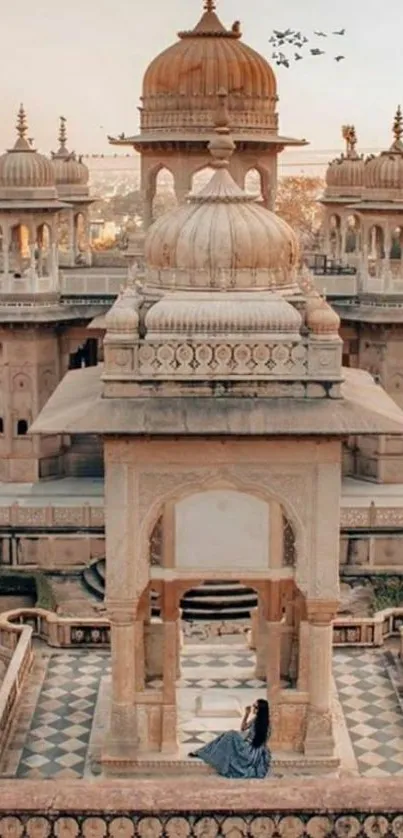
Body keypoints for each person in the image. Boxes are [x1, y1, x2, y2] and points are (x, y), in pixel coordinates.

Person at [189, 698, 271, 779]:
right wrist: (246, 714)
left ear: (260, 710)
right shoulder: (257, 720)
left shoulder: (264, 724)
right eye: (254, 706)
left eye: (255, 707)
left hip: (249, 752)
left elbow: (259, 740)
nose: (253, 708)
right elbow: (243, 728)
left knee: (230, 735)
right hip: (250, 748)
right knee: (227, 735)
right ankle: (206, 751)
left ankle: (208, 753)